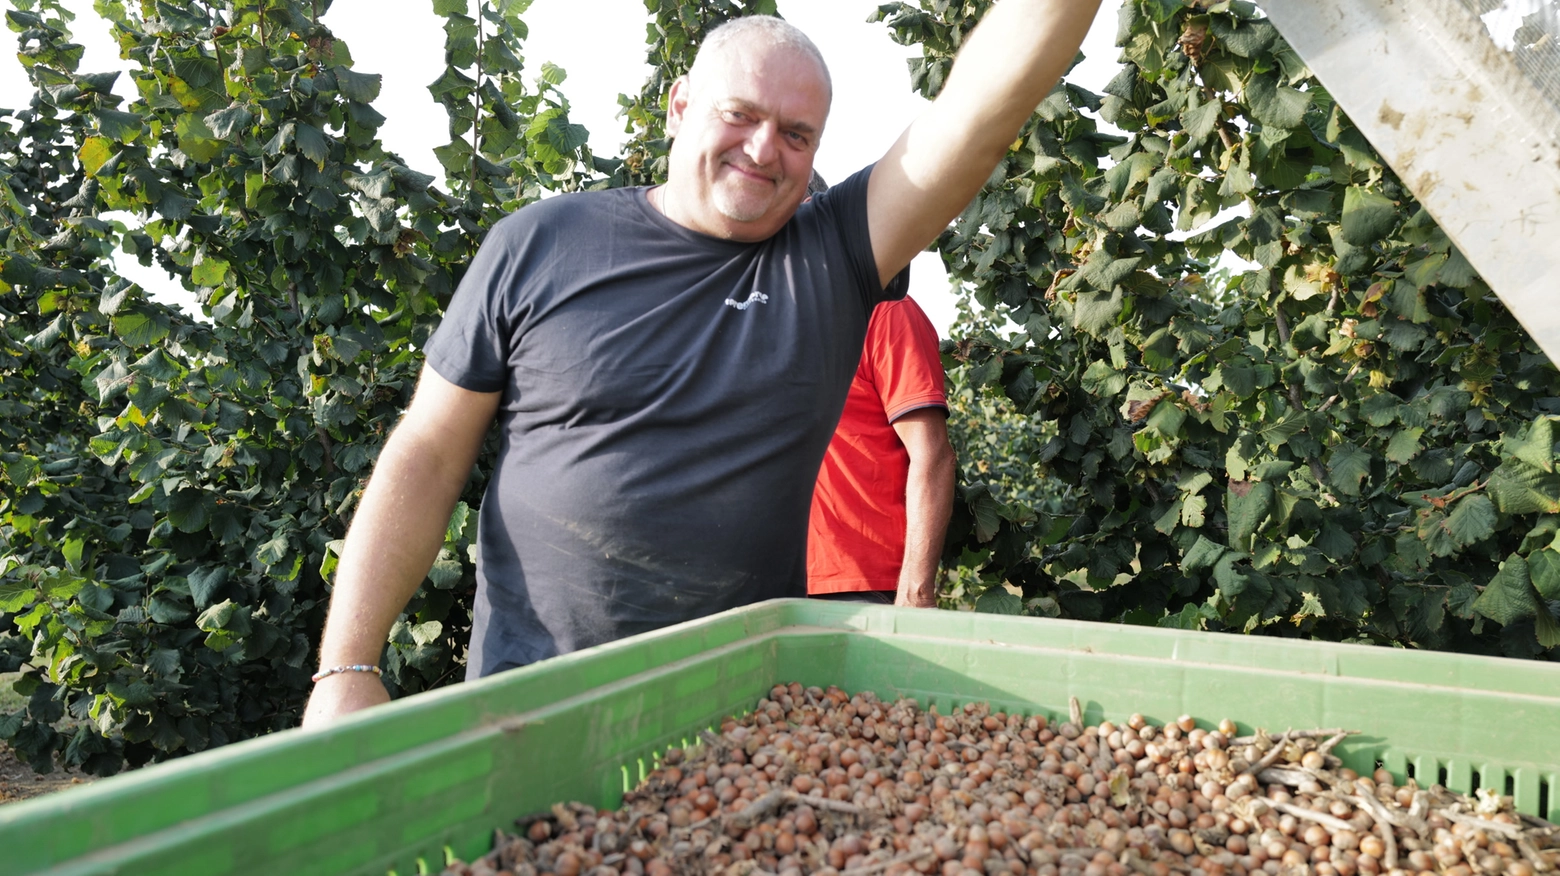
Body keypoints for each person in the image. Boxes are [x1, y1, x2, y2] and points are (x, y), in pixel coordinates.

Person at [302, 0, 1103, 728]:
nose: (765, 149)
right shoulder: (539, 244)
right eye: (741, 114)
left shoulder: (832, 261)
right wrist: (346, 667)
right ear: (680, 104)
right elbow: (429, 451)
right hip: (528, 704)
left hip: (736, 718)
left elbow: (983, 106)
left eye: (797, 134)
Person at [806, 292, 955, 608]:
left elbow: (932, 455)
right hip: (763, 579)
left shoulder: (884, 310)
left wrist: (916, 594)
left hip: (854, 584)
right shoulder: (753, 313)